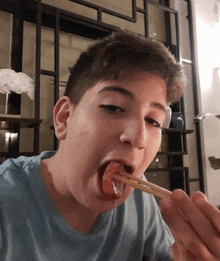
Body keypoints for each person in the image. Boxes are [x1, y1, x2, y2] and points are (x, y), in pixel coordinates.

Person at [0, 31, 219, 261]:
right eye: (113, 108)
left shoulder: (139, 199)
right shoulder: (6, 204)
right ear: (64, 118)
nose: (139, 138)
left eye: (153, 121)